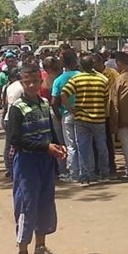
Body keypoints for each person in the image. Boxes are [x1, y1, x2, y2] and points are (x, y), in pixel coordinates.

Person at [6, 64, 67, 254]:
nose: (31, 85)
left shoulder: (43, 103)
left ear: (41, 82)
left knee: (44, 203)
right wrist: (45, 147)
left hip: (46, 162)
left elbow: (50, 128)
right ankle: (22, 253)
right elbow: (16, 139)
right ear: (22, 83)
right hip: (26, 163)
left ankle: (40, 247)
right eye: (27, 82)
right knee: (26, 205)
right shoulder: (17, 108)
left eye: (35, 81)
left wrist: (59, 145)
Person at [60, 55, 111, 187]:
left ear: (80, 66)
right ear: (93, 65)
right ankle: (104, 173)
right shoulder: (102, 79)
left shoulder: (76, 79)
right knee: (102, 147)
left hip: (81, 118)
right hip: (99, 118)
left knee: (83, 148)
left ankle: (85, 176)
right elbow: (106, 98)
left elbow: (63, 94)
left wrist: (71, 109)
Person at [51, 50, 80, 181]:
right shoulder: (81, 76)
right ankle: (86, 171)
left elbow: (54, 102)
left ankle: (74, 174)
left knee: (71, 145)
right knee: (83, 144)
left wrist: (58, 116)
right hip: (83, 115)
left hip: (67, 115)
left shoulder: (59, 80)